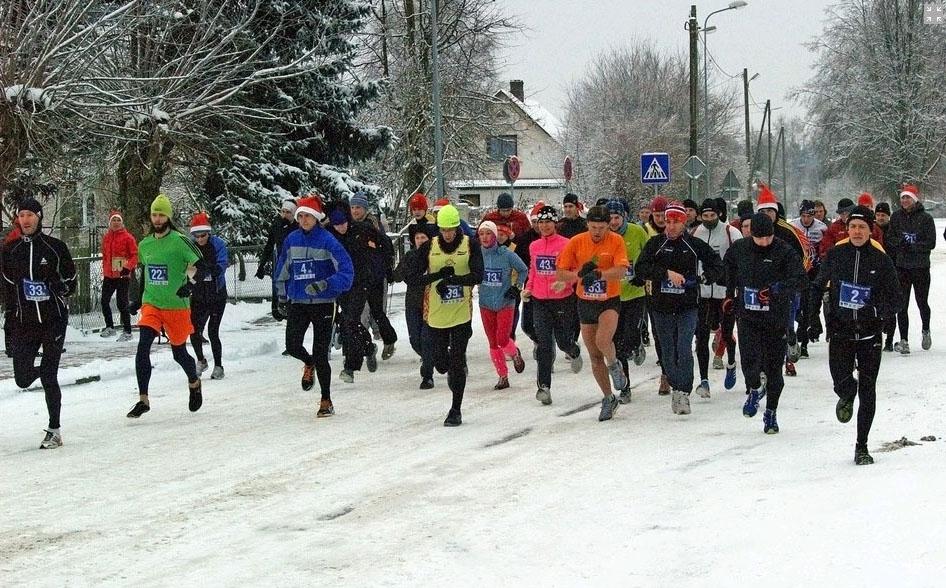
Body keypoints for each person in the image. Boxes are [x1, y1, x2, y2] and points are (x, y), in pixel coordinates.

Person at [812, 205, 901, 464]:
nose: (857, 231)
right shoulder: (836, 254)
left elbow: (896, 299)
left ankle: (861, 446)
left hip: (869, 334)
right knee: (842, 382)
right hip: (840, 330)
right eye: (853, 226)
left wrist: (874, 310)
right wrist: (812, 320)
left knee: (868, 388)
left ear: (871, 229)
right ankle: (846, 393)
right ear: (847, 228)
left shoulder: (880, 258)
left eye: (862, 227)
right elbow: (818, 285)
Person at [2, 198, 77, 448]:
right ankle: (43, 371)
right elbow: (7, 292)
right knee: (22, 379)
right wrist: (9, 327)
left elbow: (72, 284)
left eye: (30, 215)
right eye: (21, 215)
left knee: (49, 376)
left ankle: (54, 430)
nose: (25, 220)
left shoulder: (55, 247)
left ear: (39, 217)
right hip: (26, 323)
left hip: (53, 320)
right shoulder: (10, 251)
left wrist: (59, 285)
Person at [636, 200, 723, 415]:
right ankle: (676, 385)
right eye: (668, 222)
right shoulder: (656, 244)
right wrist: (666, 274)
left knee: (684, 348)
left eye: (676, 222)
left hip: (687, 306)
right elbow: (641, 268)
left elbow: (717, 265)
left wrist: (704, 277)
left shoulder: (694, 244)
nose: (671, 226)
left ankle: (683, 391)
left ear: (684, 223)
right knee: (667, 350)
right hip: (661, 306)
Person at [723, 212, 807, 433]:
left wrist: (778, 288)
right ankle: (753, 389)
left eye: (768, 238)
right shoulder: (740, 248)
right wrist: (730, 293)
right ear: (751, 235)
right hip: (748, 316)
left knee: (773, 369)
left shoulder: (783, 250)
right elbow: (727, 268)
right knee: (749, 360)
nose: (764, 242)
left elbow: (800, 279)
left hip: (775, 318)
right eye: (760, 238)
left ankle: (771, 413)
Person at [274, 195, 354, 417]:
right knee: (292, 345)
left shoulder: (328, 241)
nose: (304, 220)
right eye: (300, 216)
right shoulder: (291, 239)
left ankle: (326, 400)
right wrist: (281, 295)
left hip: (323, 303)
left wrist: (326, 284)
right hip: (298, 301)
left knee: (321, 353)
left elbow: (347, 272)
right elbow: (282, 268)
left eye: (308, 216)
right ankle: (308, 363)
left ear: (316, 218)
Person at [126, 194, 205, 419]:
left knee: (179, 354)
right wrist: (137, 299)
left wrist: (189, 287)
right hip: (152, 304)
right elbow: (145, 275)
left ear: (168, 216)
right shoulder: (145, 244)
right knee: (143, 347)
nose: (157, 219)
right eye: (154, 214)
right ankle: (143, 399)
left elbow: (203, 267)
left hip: (176, 306)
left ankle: (194, 381)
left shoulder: (180, 241)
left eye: (161, 214)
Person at [409, 204, 483, 426]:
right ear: (438, 229)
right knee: (440, 363)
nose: (448, 234)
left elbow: (478, 275)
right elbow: (413, 278)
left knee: (458, 361)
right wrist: (438, 277)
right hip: (436, 315)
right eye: (444, 230)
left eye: (451, 229)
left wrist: (455, 281)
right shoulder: (429, 247)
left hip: (461, 314)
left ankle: (455, 410)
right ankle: (449, 368)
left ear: (457, 228)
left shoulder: (470, 245)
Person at [554, 205, 630, 422]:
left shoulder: (615, 241)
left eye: (602, 227)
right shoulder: (577, 241)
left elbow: (621, 271)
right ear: (587, 225)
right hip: (585, 302)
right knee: (595, 356)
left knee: (603, 340)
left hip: (609, 301)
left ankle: (615, 365)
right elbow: (560, 273)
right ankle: (608, 398)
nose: (597, 231)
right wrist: (579, 274)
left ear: (608, 226)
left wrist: (598, 274)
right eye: (593, 227)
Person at [328, 201, 397, 382]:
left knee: (353, 319)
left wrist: (383, 267)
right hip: (343, 284)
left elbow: (386, 244)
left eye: (343, 223)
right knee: (347, 322)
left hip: (364, 281)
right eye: (337, 225)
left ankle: (350, 367)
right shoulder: (329, 235)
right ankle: (368, 347)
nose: (341, 227)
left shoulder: (362, 229)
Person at [522, 205, 583, 406]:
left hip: (562, 299)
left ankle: (573, 350)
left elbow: (576, 270)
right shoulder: (534, 246)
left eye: (548, 222)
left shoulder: (566, 244)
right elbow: (533, 270)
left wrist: (564, 282)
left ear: (555, 223)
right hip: (539, 300)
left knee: (563, 341)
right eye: (541, 222)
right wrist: (528, 288)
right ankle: (544, 387)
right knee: (544, 344)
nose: (545, 226)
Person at [690, 198, 742, 398]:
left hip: (725, 293)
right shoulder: (696, 233)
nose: (709, 219)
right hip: (703, 292)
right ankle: (703, 380)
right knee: (701, 336)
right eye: (705, 216)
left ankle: (731, 363)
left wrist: (733, 282)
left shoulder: (731, 232)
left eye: (713, 215)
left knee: (727, 333)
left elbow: (740, 259)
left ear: (719, 214)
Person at [607, 199, 649, 404]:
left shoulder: (636, 232)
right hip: (612, 297)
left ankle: (638, 343)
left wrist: (644, 273)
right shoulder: (603, 238)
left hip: (635, 294)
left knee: (630, 336)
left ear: (624, 217)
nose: (613, 222)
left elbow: (650, 254)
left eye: (617, 217)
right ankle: (625, 387)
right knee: (617, 344)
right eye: (610, 218)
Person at [476, 221, 528, 389]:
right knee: (492, 342)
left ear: (494, 236)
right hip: (485, 303)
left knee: (502, 338)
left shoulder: (505, 253)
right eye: (481, 233)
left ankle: (514, 354)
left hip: (505, 301)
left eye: (488, 233)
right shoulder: (476, 254)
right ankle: (503, 376)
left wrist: (517, 287)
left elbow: (523, 269)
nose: (484, 237)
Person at [888, 183, 936, 354]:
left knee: (922, 302)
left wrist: (913, 246)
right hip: (902, 267)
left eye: (908, 197)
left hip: (921, 267)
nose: (905, 200)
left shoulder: (926, 219)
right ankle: (904, 340)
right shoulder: (896, 217)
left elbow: (931, 243)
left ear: (915, 199)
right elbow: (890, 239)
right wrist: (900, 244)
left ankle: (925, 330)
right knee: (902, 304)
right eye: (902, 198)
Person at [393, 223, 438, 389]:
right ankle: (434, 357)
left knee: (426, 339)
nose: (420, 240)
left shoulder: (435, 255)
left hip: (431, 303)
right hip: (412, 303)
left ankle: (427, 375)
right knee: (415, 340)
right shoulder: (410, 256)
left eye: (423, 237)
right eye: (417, 238)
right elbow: (397, 275)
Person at [188, 212, 229, 380]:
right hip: (198, 295)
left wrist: (210, 270)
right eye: (196, 236)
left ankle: (219, 365)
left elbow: (222, 264)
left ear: (208, 233)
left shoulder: (218, 244)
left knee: (213, 331)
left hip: (216, 294)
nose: (200, 239)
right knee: (194, 331)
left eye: (203, 235)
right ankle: (201, 360)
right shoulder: (190, 246)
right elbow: (187, 267)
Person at [791, 200, 828, 350]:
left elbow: (826, 247)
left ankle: (804, 339)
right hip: (798, 271)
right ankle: (801, 324)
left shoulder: (821, 227)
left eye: (810, 216)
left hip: (815, 270)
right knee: (796, 305)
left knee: (809, 304)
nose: (806, 219)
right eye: (804, 215)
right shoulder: (793, 226)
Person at [99, 209, 138, 341]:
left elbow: (135, 255)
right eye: (113, 220)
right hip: (109, 275)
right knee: (104, 301)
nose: (116, 223)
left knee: (122, 303)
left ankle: (127, 331)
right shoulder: (106, 237)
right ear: (109, 223)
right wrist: (104, 269)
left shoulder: (128, 237)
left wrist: (127, 267)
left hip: (122, 275)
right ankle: (109, 326)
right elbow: (105, 256)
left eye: (118, 220)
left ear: (122, 223)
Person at [257, 198, 298, 321]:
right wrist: (262, 265)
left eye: (288, 212)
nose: (284, 215)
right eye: (283, 211)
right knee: (278, 285)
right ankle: (278, 309)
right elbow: (269, 245)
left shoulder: (298, 226)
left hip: (296, 264)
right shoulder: (277, 225)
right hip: (281, 262)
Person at [874, 201, 897, 351]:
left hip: (891, 271)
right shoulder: (872, 229)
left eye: (883, 215)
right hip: (875, 272)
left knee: (890, 307)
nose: (881, 218)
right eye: (878, 215)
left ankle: (889, 338)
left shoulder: (893, 229)